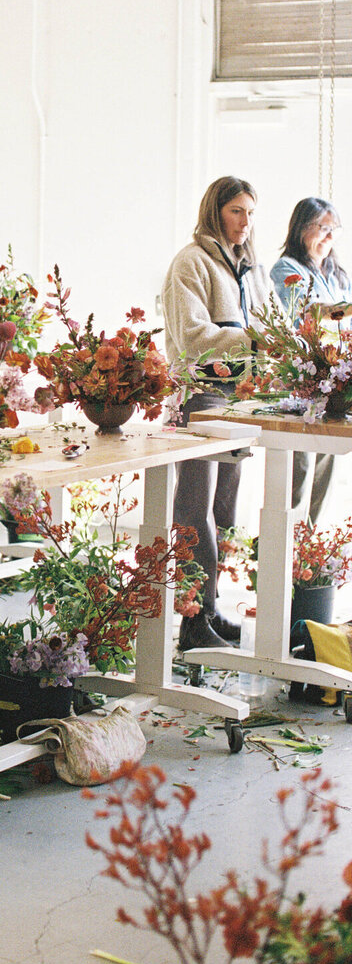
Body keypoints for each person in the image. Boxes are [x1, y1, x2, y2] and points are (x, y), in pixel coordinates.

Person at [162, 176, 272, 651]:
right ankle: (192, 624)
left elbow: (270, 327)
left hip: (239, 399)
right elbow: (192, 337)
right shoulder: (190, 262)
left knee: (223, 509)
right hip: (201, 396)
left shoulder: (251, 268)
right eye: (236, 211)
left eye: (251, 212)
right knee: (194, 511)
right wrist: (253, 340)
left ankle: (207, 607)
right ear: (215, 211)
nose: (245, 222)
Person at [271, 197, 352, 526]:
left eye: (334, 229)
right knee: (300, 465)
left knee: (328, 458)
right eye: (323, 228)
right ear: (301, 229)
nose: (330, 237)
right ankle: (285, 540)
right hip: (303, 379)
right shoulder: (286, 268)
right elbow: (310, 314)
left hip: (336, 380)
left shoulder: (337, 274)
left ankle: (309, 543)